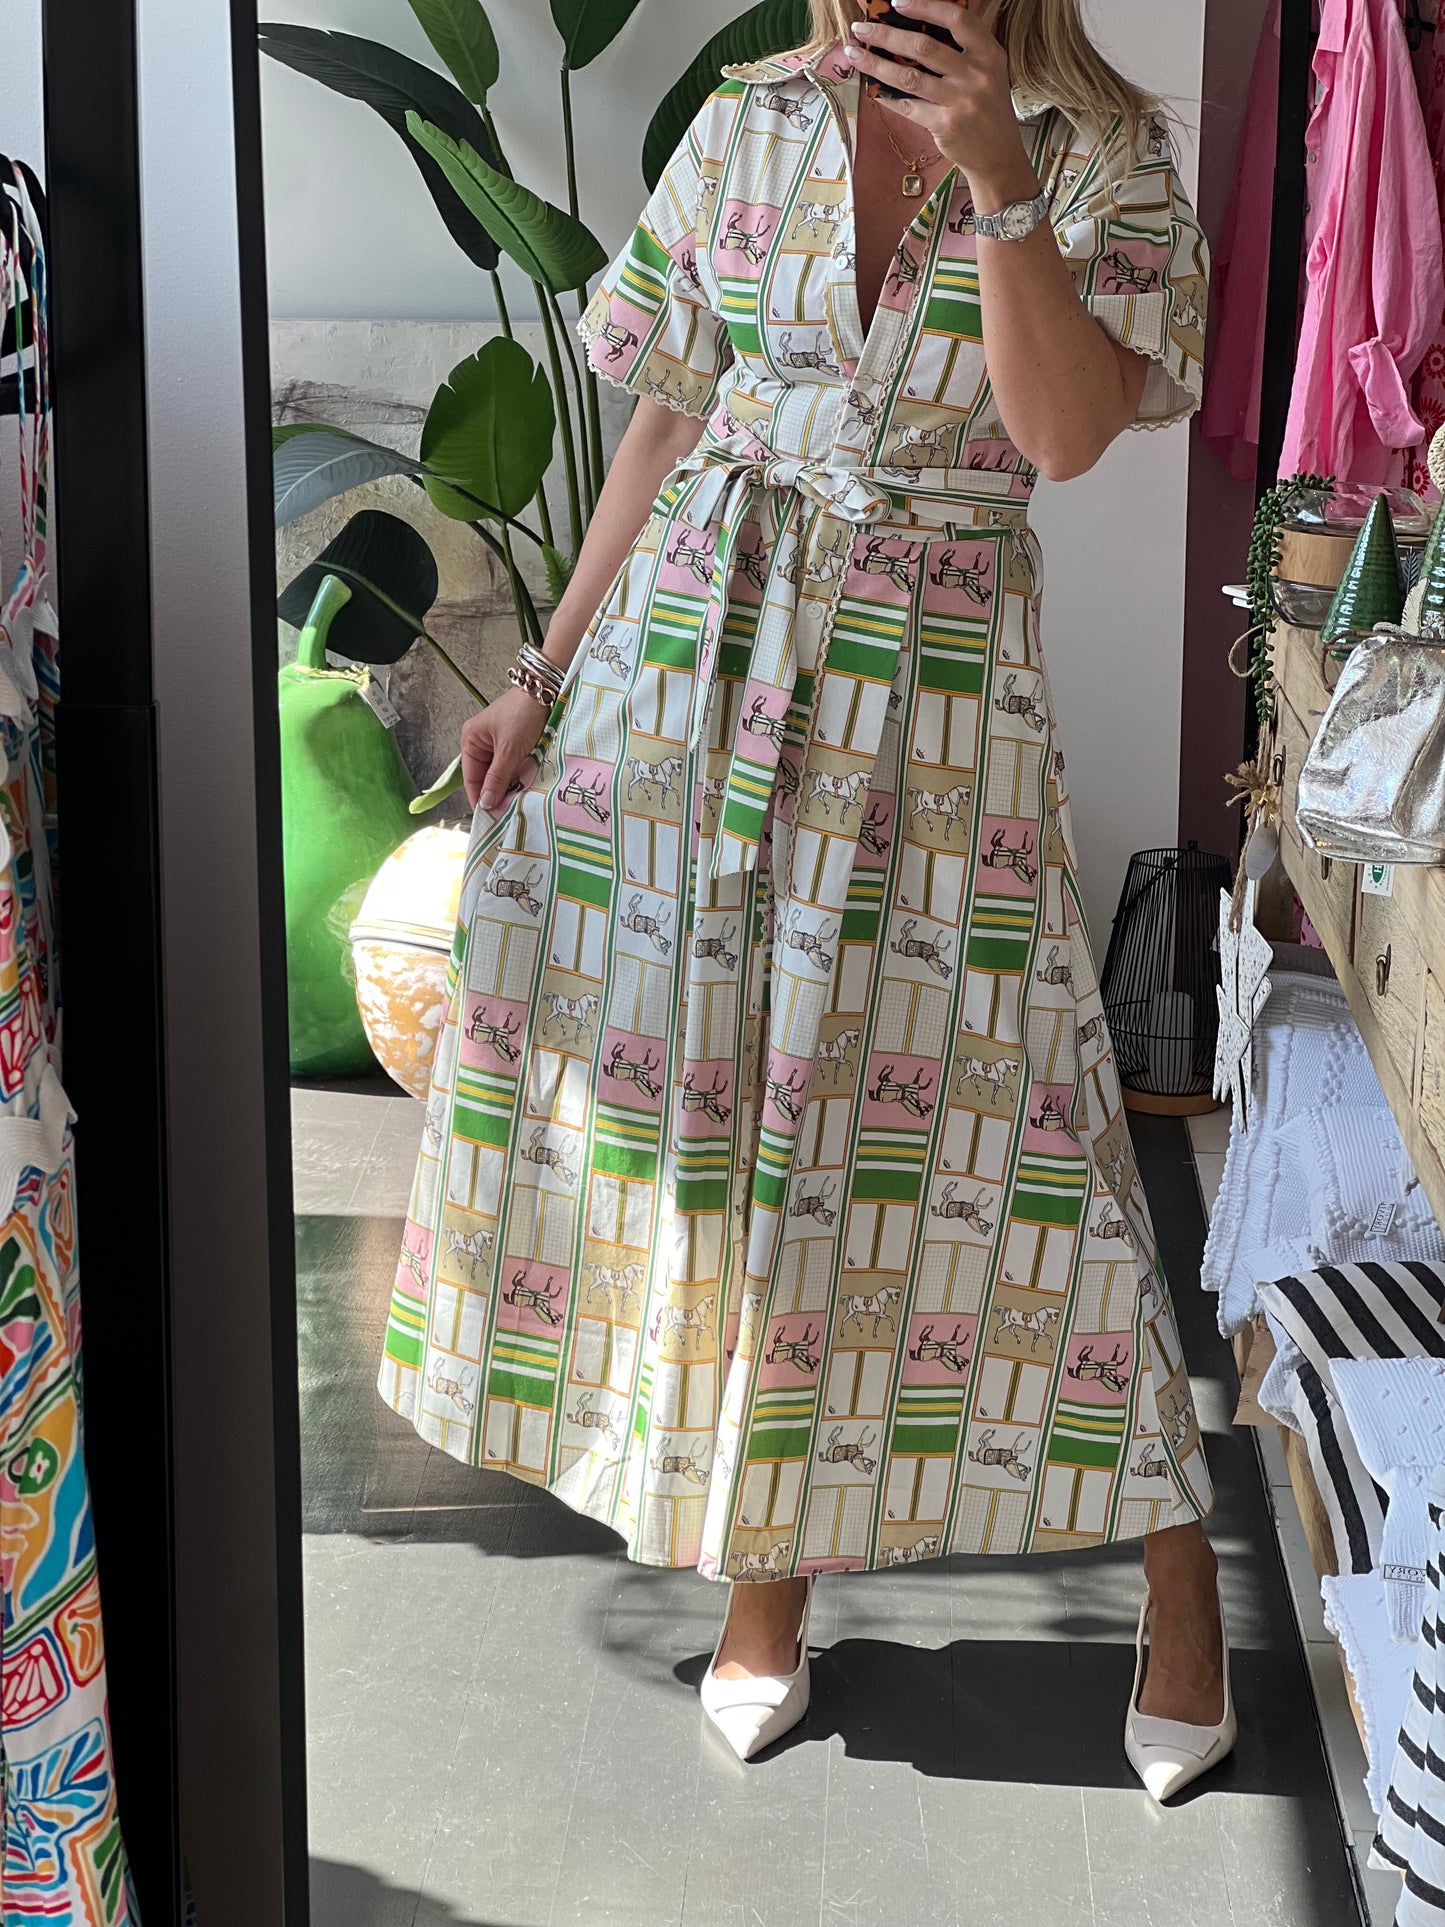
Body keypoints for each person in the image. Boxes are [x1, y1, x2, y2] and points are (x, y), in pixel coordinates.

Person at [377, 0, 1232, 1799]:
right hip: (690, 673)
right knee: (737, 1119)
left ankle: (1180, 1582)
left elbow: (1063, 436)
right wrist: (541, 670)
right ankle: (763, 1584)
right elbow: (664, 421)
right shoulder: (750, 120)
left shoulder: (1108, 158)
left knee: (1026, 1133)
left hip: (929, 705)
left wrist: (997, 180)